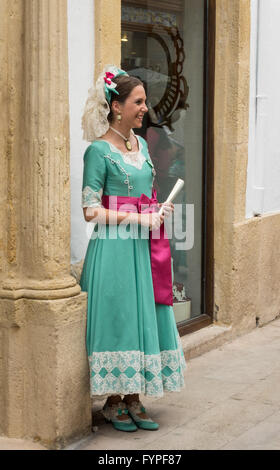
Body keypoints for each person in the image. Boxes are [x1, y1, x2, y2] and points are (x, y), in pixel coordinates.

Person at [80, 65, 187, 433]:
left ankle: (133, 398)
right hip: (112, 250)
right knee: (119, 317)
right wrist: (136, 218)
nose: (145, 108)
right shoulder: (97, 151)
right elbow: (90, 209)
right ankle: (112, 402)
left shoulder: (140, 145)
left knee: (143, 316)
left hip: (142, 249)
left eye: (144, 101)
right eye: (138, 102)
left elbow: (144, 195)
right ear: (116, 107)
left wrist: (156, 209)